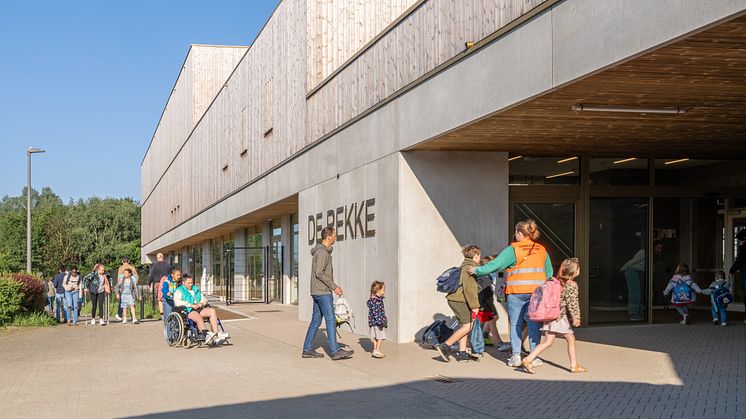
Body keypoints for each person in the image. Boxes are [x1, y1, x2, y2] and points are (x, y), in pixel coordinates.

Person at [469, 219, 553, 368]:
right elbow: (549, 272)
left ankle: (516, 356)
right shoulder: (541, 249)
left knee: (516, 323)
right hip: (536, 294)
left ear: (520, 233)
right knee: (534, 324)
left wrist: (477, 270)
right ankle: (534, 356)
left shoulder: (513, 249)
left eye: (516, 232)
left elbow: (495, 265)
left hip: (517, 293)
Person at [522, 258, 587, 374]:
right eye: (578, 268)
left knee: (548, 341)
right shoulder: (571, 284)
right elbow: (573, 302)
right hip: (559, 316)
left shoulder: (554, 281)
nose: (579, 270)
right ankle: (574, 366)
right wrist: (576, 317)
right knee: (570, 338)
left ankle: (528, 359)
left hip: (549, 315)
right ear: (574, 272)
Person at [302, 227, 354, 361]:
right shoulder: (322, 253)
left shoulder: (321, 252)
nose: (336, 238)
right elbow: (319, 273)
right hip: (323, 292)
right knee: (331, 320)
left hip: (318, 291)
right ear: (328, 237)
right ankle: (335, 350)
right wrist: (334, 287)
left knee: (316, 321)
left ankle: (307, 349)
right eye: (334, 236)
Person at [436, 245, 481, 363]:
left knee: (464, 326)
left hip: (456, 299)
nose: (480, 258)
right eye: (479, 256)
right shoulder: (471, 268)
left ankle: (462, 353)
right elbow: (469, 290)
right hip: (459, 300)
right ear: (476, 256)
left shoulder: (463, 265)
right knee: (468, 326)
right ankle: (445, 346)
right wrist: (475, 306)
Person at [173, 274, 228, 345]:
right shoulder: (179, 291)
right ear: (183, 283)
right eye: (188, 283)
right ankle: (206, 334)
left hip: (199, 308)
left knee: (212, 311)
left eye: (191, 283)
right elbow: (177, 302)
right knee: (198, 317)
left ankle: (216, 334)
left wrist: (201, 303)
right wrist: (191, 305)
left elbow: (203, 299)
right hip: (188, 310)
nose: (191, 284)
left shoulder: (195, 289)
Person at [477, 256, 511, 352]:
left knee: (494, 318)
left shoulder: (488, 274)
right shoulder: (485, 277)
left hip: (486, 300)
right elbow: (486, 290)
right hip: (486, 300)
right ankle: (499, 344)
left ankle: (484, 335)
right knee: (492, 319)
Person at [729, 229, 746, 324]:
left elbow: (740, 261)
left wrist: (732, 270)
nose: (740, 242)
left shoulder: (743, 247)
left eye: (741, 240)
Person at [367, 281, 388, 359]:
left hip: (374, 322)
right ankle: (377, 350)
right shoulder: (376, 301)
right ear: (378, 290)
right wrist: (381, 322)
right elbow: (377, 313)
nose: (384, 291)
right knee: (380, 337)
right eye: (383, 289)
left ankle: (375, 350)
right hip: (378, 322)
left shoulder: (375, 300)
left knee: (376, 337)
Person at [115, 257, 140, 322]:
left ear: (122, 261)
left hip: (123, 289)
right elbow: (137, 277)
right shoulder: (132, 268)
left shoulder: (120, 268)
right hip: (131, 289)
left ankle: (122, 316)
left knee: (123, 305)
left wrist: (118, 291)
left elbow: (118, 280)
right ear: (128, 261)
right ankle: (133, 317)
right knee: (132, 305)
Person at [149, 253, 171, 319]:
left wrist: (149, 282)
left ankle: (162, 314)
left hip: (158, 283)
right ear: (163, 257)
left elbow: (152, 275)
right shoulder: (168, 265)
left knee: (159, 298)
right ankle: (168, 311)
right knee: (167, 295)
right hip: (167, 282)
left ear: (157, 258)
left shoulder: (155, 265)